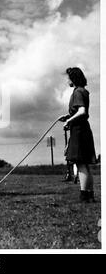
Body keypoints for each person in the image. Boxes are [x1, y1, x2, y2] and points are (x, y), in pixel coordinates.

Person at [59, 67, 96, 202]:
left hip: (79, 130)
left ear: (73, 79)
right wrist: (68, 116)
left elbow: (82, 111)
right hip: (83, 129)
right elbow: (79, 112)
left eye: (68, 78)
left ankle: (84, 195)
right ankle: (89, 194)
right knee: (84, 164)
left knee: (80, 163)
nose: (67, 80)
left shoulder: (77, 92)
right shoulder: (83, 91)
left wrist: (69, 120)